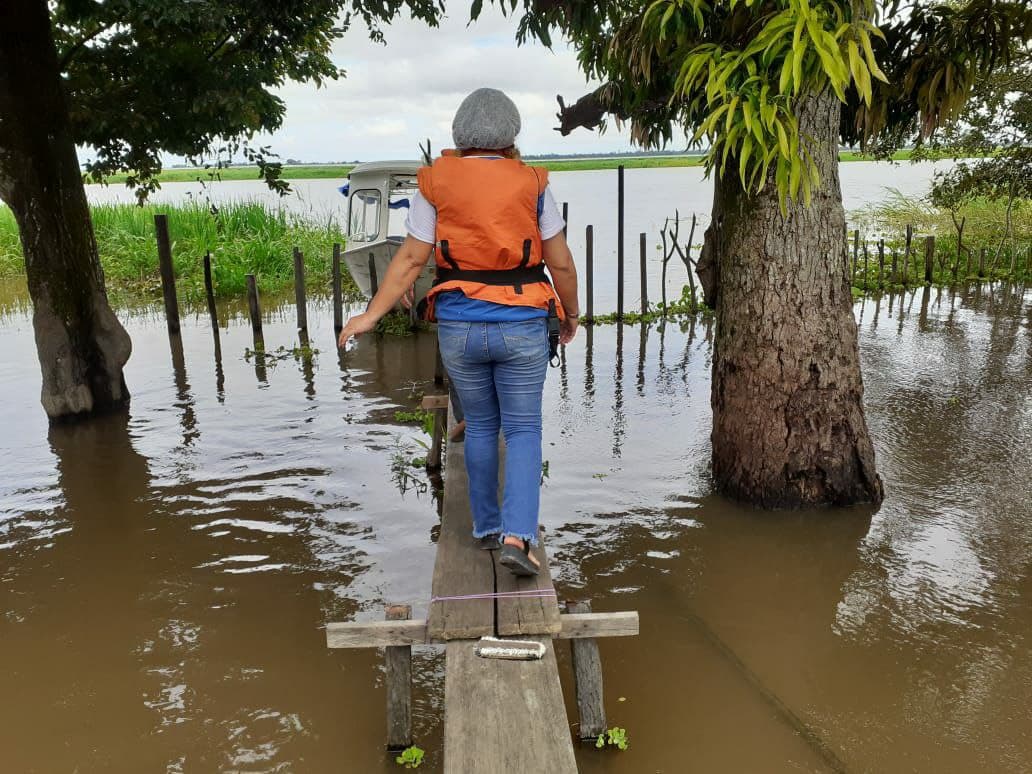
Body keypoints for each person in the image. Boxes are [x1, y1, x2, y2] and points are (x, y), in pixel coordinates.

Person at [338, 87, 579, 576]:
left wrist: (370, 314)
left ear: (460, 136)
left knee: (482, 426)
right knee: (524, 428)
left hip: (460, 327)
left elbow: (409, 260)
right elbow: (560, 261)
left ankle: (487, 528)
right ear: (510, 135)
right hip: (522, 324)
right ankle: (518, 536)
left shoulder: (435, 184)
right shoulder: (532, 184)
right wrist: (571, 313)